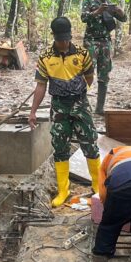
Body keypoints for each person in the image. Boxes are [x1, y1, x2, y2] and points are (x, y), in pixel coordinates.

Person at [29, 17, 101, 206]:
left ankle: (98, 186)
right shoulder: (45, 57)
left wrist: (77, 90)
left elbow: (90, 77)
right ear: (54, 36)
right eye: (61, 39)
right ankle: (63, 190)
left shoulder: (83, 54)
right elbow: (41, 86)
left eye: (67, 38)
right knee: (60, 146)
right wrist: (33, 112)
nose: (64, 42)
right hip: (59, 106)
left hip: (80, 103)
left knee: (90, 143)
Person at [80, 0, 127, 114]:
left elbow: (123, 19)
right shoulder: (89, 2)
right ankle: (82, 104)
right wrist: (97, 11)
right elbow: (84, 18)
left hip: (105, 42)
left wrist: (119, 12)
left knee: (104, 75)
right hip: (91, 41)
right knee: (87, 72)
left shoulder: (110, 5)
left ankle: (100, 108)